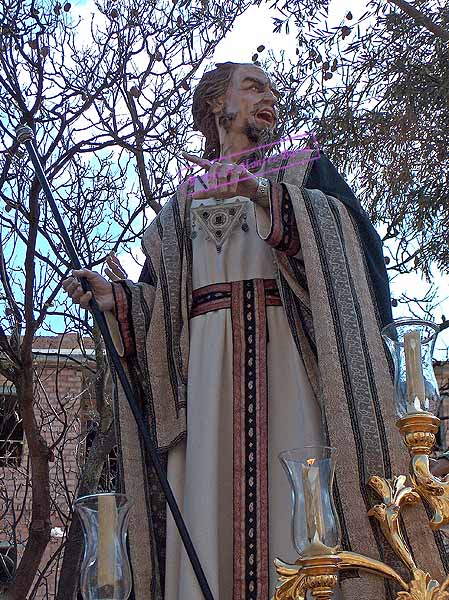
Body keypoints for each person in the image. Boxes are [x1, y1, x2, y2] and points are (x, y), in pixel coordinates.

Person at [63, 62, 448, 600]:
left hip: (289, 364)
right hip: (204, 389)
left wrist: (270, 197)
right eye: (252, 86)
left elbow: (353, 252)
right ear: (217, 107)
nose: (269, 95)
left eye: (270, 87)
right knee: (203, 504)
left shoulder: (302, 171)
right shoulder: (179, 206)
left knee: (302, 504)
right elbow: (164, 317)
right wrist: (119, 301)